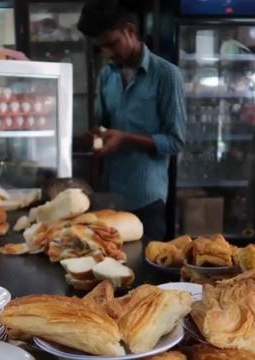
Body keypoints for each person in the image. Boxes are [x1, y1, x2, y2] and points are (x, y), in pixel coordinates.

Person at [77, 0, 187, 241]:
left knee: (145, 276)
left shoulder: (166, 75)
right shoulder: (108, 75)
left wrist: (124, 138)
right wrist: (95, 137)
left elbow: (175, 141)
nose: (108, 53)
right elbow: (102, 126)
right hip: (108, 198)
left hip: (147, 200)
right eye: (101, 48)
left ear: (130, 30)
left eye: (112, 44)